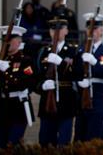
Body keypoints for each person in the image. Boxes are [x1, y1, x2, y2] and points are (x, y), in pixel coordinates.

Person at [36, 12, 82, 146]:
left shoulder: (73, 51)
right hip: (47, 103)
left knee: (64, 143)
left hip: (66, 102)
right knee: (45, 141)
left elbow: (78, 74)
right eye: (52, 29)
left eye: (59, 28)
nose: (55, 32)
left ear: (66, 31)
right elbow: (35, 76)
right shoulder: (43, 52)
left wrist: (61, 62)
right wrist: (42, 85)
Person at [0, 25, 35, 148]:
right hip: (4, 107)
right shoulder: (3, 59)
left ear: (19, 42)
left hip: (18, 107)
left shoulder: (26, 60)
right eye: (4, 40)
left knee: (13, 145)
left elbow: (25, 83)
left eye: (9, 39)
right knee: (0, 145)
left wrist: (7, 69)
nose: (6, 43)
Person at [74, 13, 103, 141]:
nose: (91, 32)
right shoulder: (80, 50)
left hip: (98, 101)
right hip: (81, 101)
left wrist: (95, 63)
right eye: (89, 29)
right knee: (79, 139)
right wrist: (79, 81)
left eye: (95, 29)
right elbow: (74, 72)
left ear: (101, 30)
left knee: (95, 139)